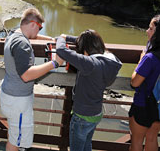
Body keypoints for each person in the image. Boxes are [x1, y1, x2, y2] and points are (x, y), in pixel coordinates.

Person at [0, 8, 63, 151]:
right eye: (40, 28)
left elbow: (32, 37)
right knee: (15, 141)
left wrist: (53, 40)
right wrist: (55, 63)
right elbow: (27, 75)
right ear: (33, 24)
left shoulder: (13, 35)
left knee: (14, 135)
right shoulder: (22, 44)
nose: (39, 32)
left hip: (10, 95)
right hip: (18, 101)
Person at [56, 29, 122, 151]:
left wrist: (61, 37)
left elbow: (61, 50)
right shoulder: (108, 60)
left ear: (85, 49)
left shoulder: (89, 64)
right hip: (96, 114)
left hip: (82, 116)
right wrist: (68, 37)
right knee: (86, 145)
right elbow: (89, 41)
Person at [128, 15, 160, 151]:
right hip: (158, 106)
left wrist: (141, 61)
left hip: (143, 104)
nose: (147, 31)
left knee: (136, 140)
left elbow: (135, 82)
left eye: (151, 29)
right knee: (152, 137)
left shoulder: (150, 58)